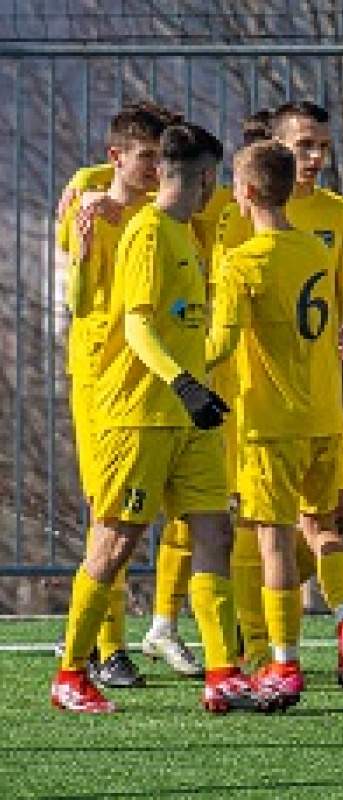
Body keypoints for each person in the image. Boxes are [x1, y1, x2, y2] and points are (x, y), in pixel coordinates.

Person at [51, 124, 260, 714]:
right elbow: (138, 325)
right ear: (202, 176)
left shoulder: (182, 234)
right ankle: (71, 672)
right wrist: (185, 383)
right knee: (116, 541)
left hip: (188, 418)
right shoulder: (146, 234)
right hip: (140, 414)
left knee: (213, 532)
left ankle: (222, 673)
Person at [213, 103, 343, 687]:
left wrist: (181, 362)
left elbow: (224, 336)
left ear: (249, 188)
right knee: (302, 526)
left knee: (275, 534)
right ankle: (335, 620)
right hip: (318, 409)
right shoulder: (304, 243)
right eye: (305, 146)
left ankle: (280, 656)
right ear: (279, 150)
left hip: (273, 412)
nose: (316, 158)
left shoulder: (327, 222)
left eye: (323, 147)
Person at [55, 101, 209, 678]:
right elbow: (75, 288)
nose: (153, 168)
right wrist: (94, 197)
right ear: (117, 156)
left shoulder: (166, 213)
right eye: (144, 157)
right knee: (110, 513)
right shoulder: (93, 205)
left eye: (159, 158)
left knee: (189, 514)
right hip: (104, 379)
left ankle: (164, 632)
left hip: (162, 381)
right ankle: (104, 648)